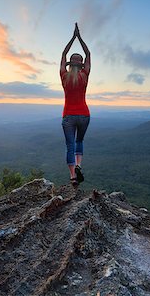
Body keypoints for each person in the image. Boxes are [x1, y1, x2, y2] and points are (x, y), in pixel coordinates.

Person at [60, 23, 91, 187]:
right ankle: (79, 165)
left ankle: (73, 177)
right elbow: (88, 53)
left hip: (68, 116)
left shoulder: (64, 76)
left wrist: (72, 37)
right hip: (84, 115)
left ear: (70, 64)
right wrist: (80, 37)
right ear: (81, 64)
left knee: (69, 146)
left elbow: (64, 53)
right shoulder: (85, 75)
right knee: (79, 141)